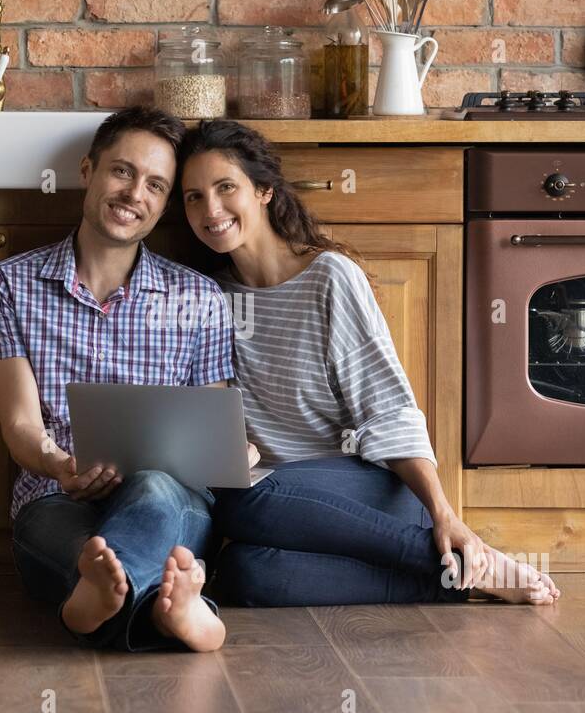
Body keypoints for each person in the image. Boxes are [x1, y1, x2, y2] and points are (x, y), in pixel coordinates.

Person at [176, 119, 562, 607]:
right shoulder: (211, 297)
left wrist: (444, 512)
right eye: (193, 196)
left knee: (239, 499)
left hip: (372, 497)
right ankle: (453, 580)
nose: (210, 209)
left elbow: (388, 410)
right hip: (283, 507)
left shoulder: (329, 278)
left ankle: (459, 555)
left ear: (265, 191)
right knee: (241, 574)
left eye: (225, 187)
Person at [0, 107, 234, 652]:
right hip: (55, 496)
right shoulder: (8, 284)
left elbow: (208, 438)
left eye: (155, 185)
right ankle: (173, 615)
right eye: (122, 171)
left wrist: (235, 452)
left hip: (165, 493)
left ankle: (90, 612)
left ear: (163, 204)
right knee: (78, 544)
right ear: (88, 170)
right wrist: (56, 464)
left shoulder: (200, 299)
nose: (134, 193)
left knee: (153, 495)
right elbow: (20, 422)